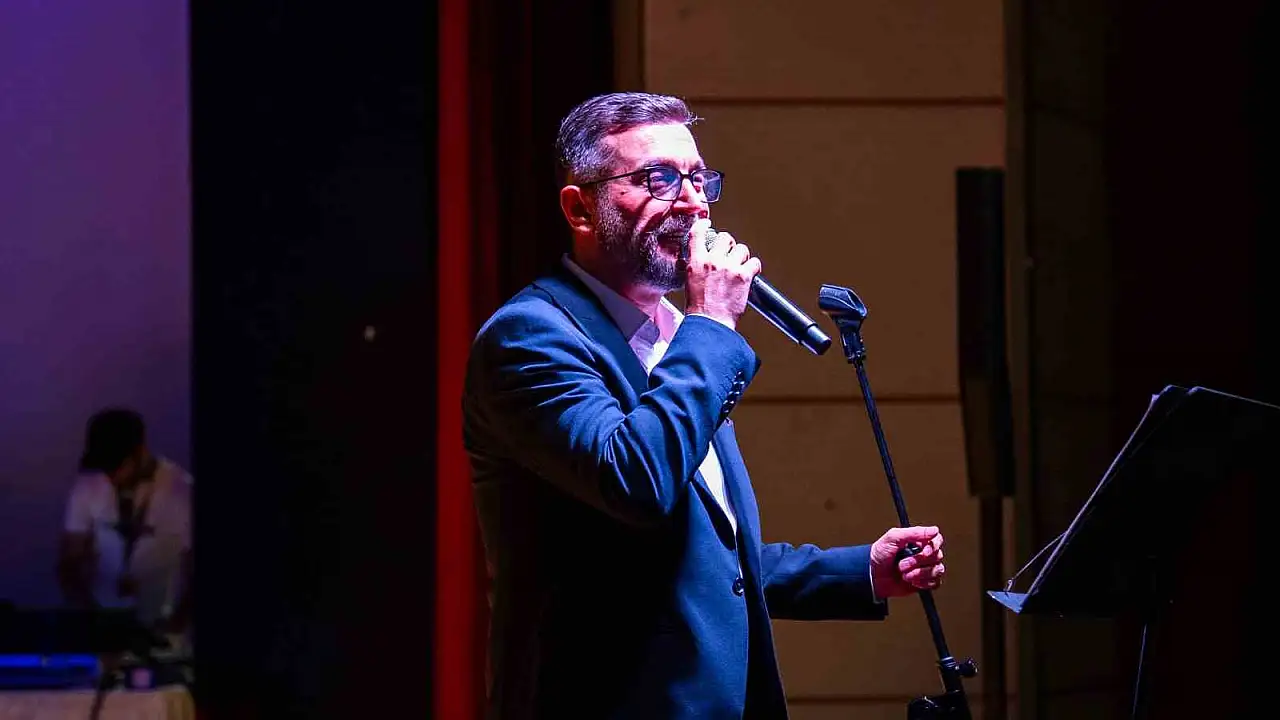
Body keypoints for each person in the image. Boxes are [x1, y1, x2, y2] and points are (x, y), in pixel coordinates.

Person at [463, 92, 947, 719]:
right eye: (658, 179)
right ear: (580, 208)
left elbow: (701, 558)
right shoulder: (530, 338)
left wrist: (859, 573)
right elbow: (636, 481)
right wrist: (713, 324)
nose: (693, 203)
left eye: (698, 178)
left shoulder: (676, 338)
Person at [57, 408, 192, 641]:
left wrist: (177, 623)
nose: (109, 475)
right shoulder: (87, 486)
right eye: (104, 466)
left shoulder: (183, 490)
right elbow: (69, 563)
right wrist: (89, 616)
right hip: (102, 627)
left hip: (162, 629)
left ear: (140, 452)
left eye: (115, 465)